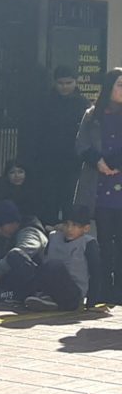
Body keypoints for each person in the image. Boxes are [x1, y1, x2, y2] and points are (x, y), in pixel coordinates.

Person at [72, 66, 122, 304]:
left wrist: (115, 163)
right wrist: (98, 161)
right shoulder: (92, 115)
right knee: (103, 240)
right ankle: (103, 288)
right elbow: (81, 145)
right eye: (119, 85)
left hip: (119, 179)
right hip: (99, 185)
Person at [21, 65, 89, 221]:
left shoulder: (83, 105)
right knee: (48, 203)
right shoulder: (44, 103)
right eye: (61, 83)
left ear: (76, 82)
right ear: (55, 83)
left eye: (68, 83)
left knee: (70, 204)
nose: (64, 87)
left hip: (73, 163)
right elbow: (35, 133)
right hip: (48, 162)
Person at [23, 207, 102, 311]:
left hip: (72, 294)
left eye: (75, 225)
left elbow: (96, 274)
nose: (69, 229)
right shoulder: (54, 237)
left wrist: (91, 304)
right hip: (50, 288)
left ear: (86, 228)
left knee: (54, 265)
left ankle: (50, 300)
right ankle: (44, 299)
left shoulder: (88, 243)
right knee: (19, 258)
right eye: (66, 224)